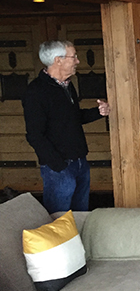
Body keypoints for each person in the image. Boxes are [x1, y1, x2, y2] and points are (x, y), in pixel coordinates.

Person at [23, 40, 110, 213]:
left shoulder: (67, 86)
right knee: (59, 220)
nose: (77, 61)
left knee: (80, 215)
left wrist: (99, 112)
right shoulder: (36, 92)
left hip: (79, 162)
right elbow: (34, 135)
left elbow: (72, 118)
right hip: (59, 167)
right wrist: (58, 165)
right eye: (74, 56)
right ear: (58, 60)